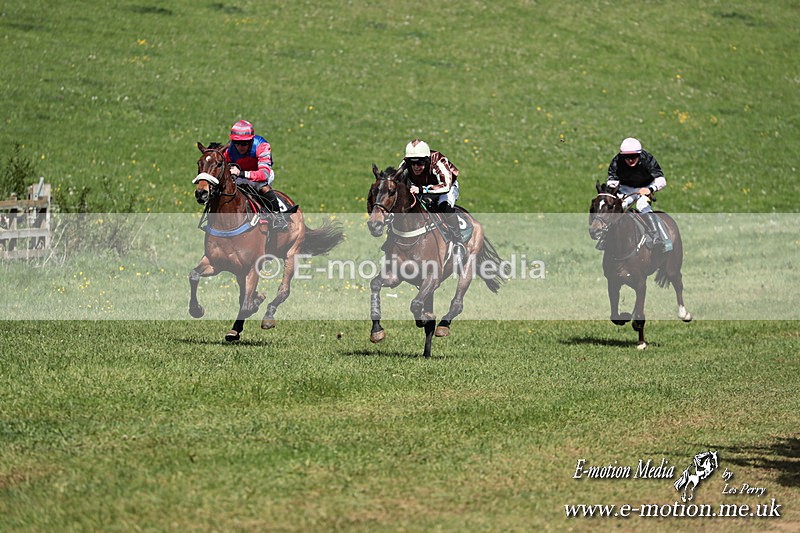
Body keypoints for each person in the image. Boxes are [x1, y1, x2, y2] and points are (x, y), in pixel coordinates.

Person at [398, 139, 465, 264]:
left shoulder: (439, 162)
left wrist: (422, 189)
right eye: (412, 163)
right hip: (420, 186)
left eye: (420, 163)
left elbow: (445, 186)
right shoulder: (404, 164)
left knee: (444, 206)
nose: (416, 167)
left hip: (446, 187)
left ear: (427, 160)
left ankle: (458, 242)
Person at [606, 137, 672, 251]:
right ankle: (606, 239)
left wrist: (651, 189)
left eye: (634, 156)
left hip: (645, 188)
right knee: (617, 208)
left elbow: (662, 180)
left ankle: (659, 238)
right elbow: (611, 181)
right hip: (626, 189)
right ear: (622, 156)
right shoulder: (616, 161)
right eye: (627, 157)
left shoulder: (648, 159)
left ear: (640, 155)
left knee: (642, 206)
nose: (630, 160)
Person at [225, 119, 289, 231]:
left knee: (261, 186)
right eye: (236, 143)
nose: (240, 147)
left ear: (250, 141)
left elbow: (263, 174)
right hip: (240, 177)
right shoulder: (229, 150)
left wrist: (241, 173)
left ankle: (278, 217)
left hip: (261, 175)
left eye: (244, 143)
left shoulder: (262, 146)